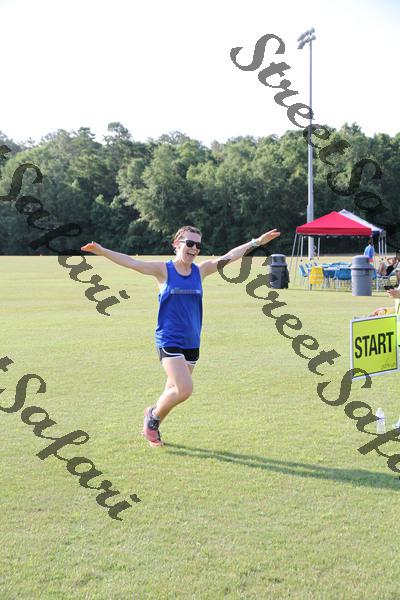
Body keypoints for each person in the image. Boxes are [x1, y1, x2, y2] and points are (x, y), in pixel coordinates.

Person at [81, 225, 281, 447]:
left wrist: (257, 242)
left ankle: (152, 419)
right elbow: (132, 262)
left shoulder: (201, 270)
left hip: (192, 341)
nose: (194, 248)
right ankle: (152, 419)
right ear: (177, 244)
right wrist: (102, 251)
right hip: (169, 339)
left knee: (172, 390)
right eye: (189, 243)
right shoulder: (163, 270)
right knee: (184, 389)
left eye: (198, 245)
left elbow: (230, 256)